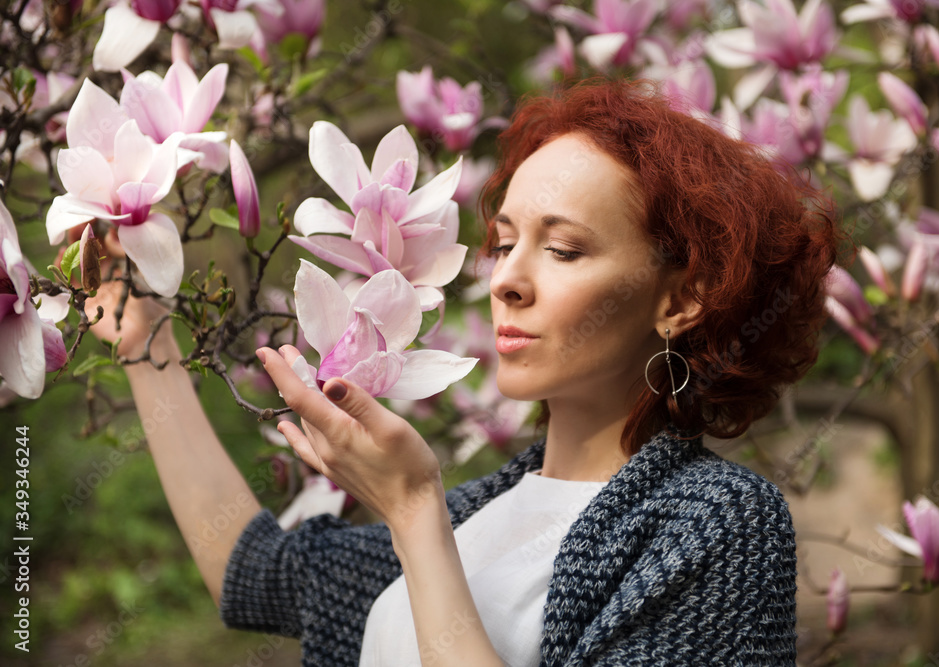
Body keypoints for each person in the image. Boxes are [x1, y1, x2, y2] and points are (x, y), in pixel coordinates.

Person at [89, 78, 838, 666]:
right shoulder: (480, 510)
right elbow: (252, 572)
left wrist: (414, 514)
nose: (505, 278)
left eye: (563, 249)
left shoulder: (718, 521)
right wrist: (144, 342)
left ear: (681, 298)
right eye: (504, 243)